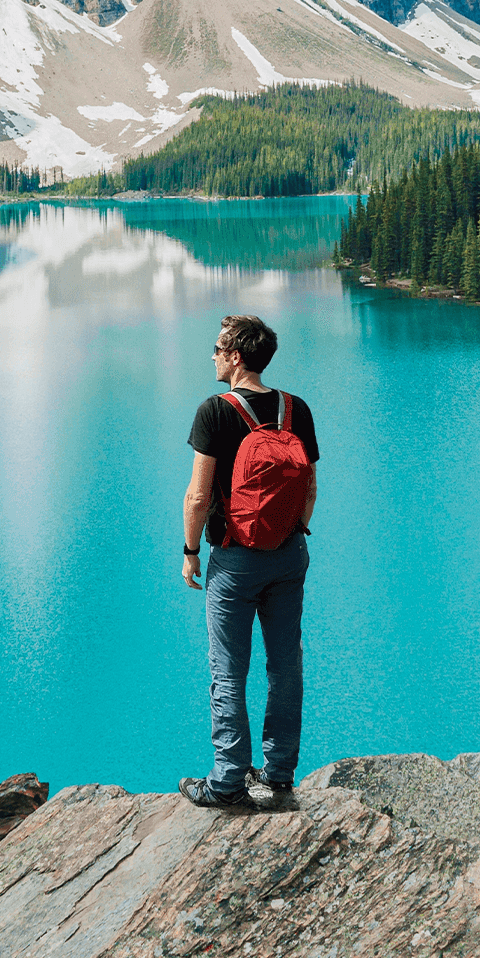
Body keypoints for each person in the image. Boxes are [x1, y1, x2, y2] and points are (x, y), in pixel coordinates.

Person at [178, 314, 320, 809]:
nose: (213, 356)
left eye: (218, 348)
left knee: (228, 670)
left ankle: (228, 780)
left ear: (236, 356)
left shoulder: (214, 412)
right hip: (289, 556)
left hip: (235, 560)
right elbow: (310, 490)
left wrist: (191, 552)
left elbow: (198, 496)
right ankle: (279, 774)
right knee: (285, 666)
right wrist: (290, 536)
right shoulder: (294, 409)